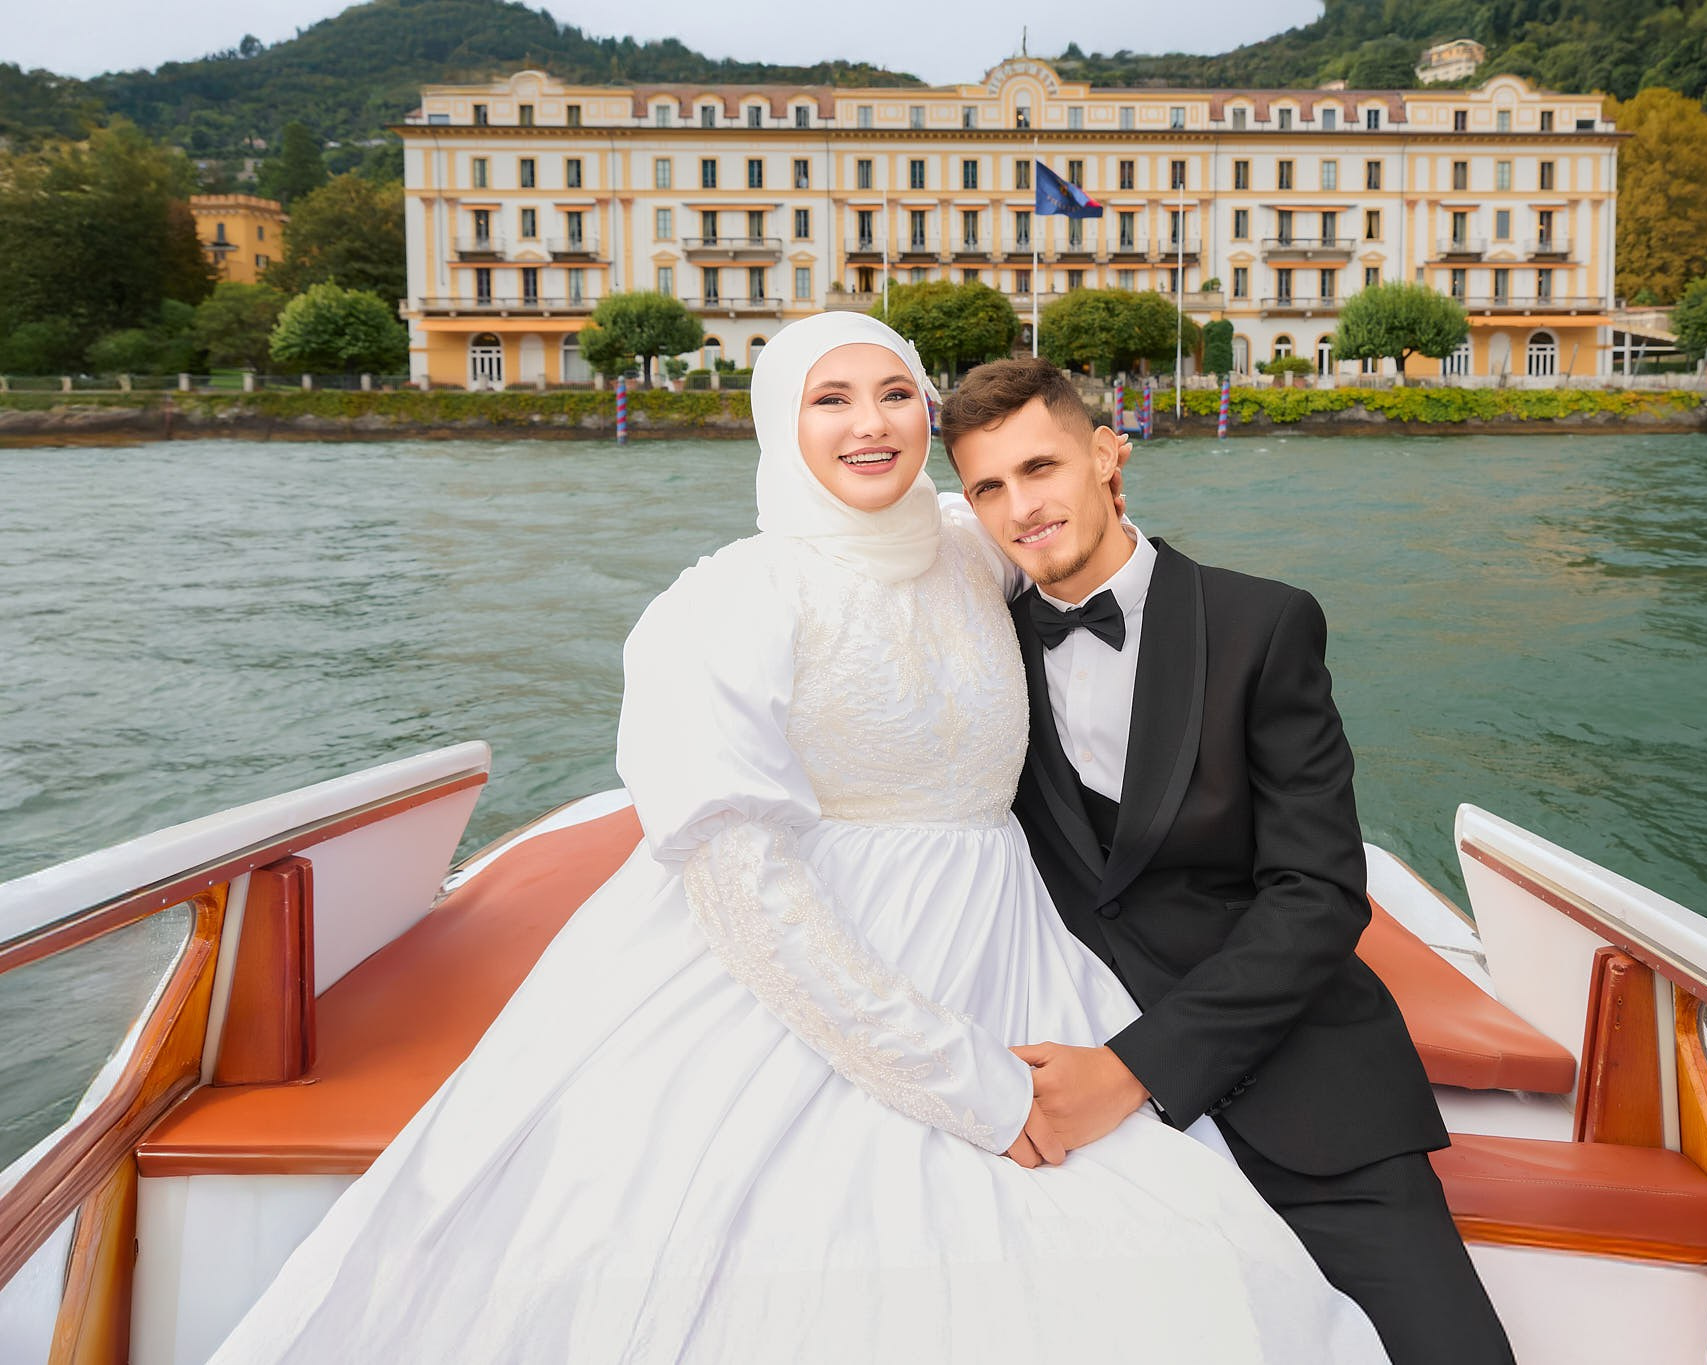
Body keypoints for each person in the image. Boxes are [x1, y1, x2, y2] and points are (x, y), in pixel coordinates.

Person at [206, 314, 1388, 1363]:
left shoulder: (970, 540)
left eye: (893, 394)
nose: (869, 424)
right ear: (780, 421)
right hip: (802, 964)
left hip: (1013, 942)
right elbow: (746, 893)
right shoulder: (722, 606)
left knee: (1154, 1240)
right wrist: (961, 1080)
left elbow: (1084, 539)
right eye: (830, 398)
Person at [941, 358, 1516, 1365]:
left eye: (1040, 467)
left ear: (1107, 455)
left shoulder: (1262, 623)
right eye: (988, 486)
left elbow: (1318, 895)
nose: (1020, 508)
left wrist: (1134, 1069)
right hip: (1085, 1102)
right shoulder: (977, 654)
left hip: (1301, 1085)